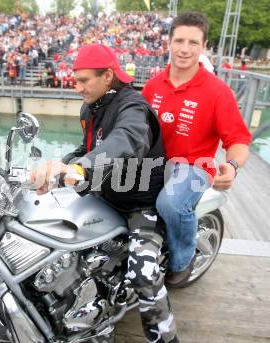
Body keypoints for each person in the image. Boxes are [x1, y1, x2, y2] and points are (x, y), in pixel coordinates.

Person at [30, 43, 178, 343]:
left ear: (107, 76)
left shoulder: (133, 107)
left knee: (142, 274)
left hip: (139, 203)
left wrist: (83, 168)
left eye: (84, 80)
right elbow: (87, 149)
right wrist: (61, 165)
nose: (77, 87)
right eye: (76, 80)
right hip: (105, 194)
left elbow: (126, 140)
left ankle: (165, 337)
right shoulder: (91, 108)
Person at [142, 12, 251, 287]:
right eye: (179, 40)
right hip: (153, 163)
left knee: (170, 203)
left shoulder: (218, 92)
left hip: (194, 166)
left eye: (193, 42)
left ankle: (183, 259)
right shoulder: (153, 86)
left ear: (203, 47)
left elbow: (239, 140)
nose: (184, 49)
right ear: (169, 43)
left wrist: (233, 166)